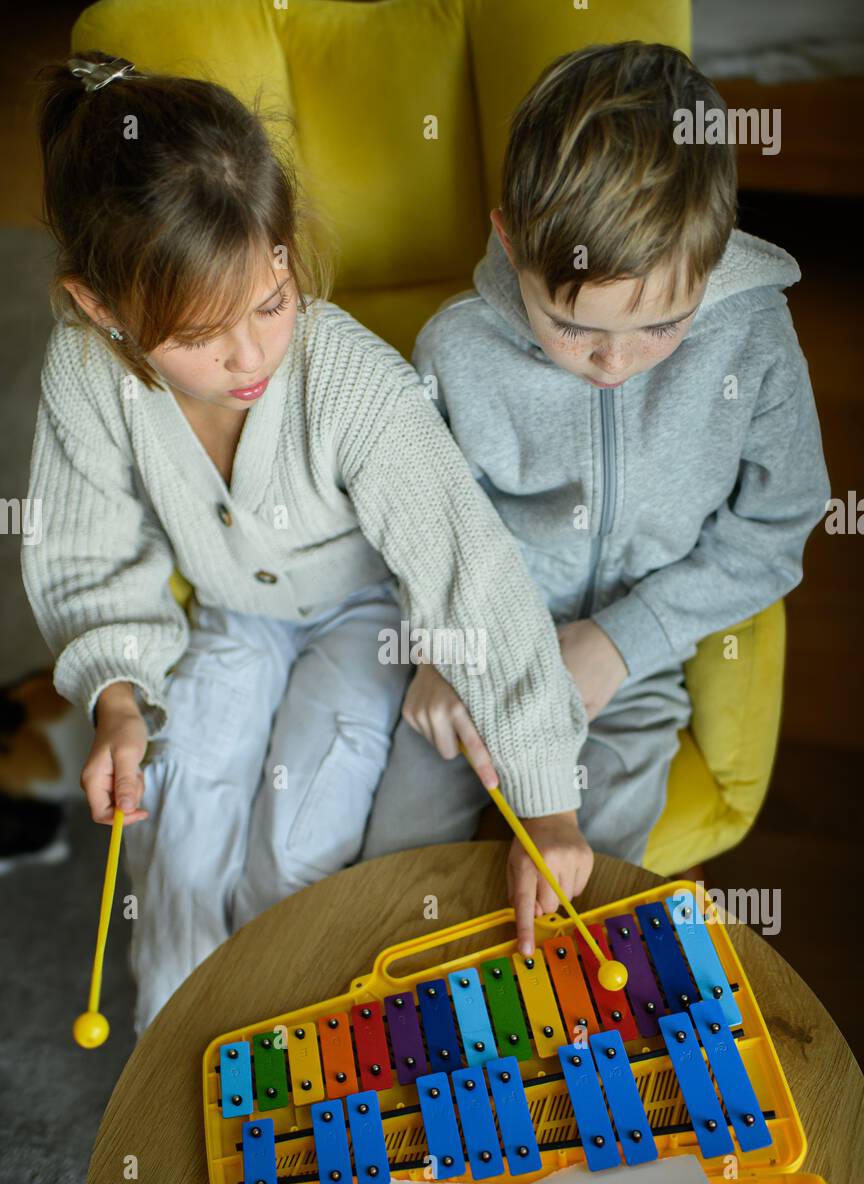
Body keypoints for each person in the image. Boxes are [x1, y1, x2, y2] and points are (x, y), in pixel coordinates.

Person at [22, 52, 589, 1034]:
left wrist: (549, 803)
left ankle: (287, 1056)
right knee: (183, 830)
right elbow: (88, 551)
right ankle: (176, 1066)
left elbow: (473, 579)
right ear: (101, 310)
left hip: (367, 619)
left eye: (270, 301)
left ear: (286, 252)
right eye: (202, 334)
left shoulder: (351, 380)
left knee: (296, 843)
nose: (248, 356)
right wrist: (117, 698)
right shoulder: (83, 372)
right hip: (236, 613)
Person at [361, 42, 829, 880]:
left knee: (594, 880)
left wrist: (623, 643)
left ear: (714, 257)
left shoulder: (755, 340)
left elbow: (778, 525)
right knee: (396, 866)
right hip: (481, 640)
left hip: (634, 665)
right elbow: (425, 523)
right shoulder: (457, 348)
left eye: (660, 325)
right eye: (574, 327)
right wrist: (441, 649)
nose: (616, 363)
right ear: (510, 243)